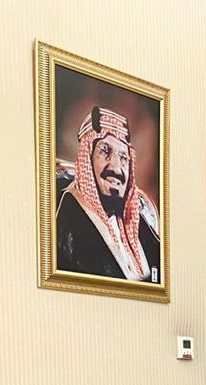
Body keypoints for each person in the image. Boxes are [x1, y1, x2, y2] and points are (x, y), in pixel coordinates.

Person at [56, 106, 161, 283]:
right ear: (87, 158)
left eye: (124, 158)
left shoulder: (136, 218)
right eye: (105, 151)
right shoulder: (70, 215)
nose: (116, 168)